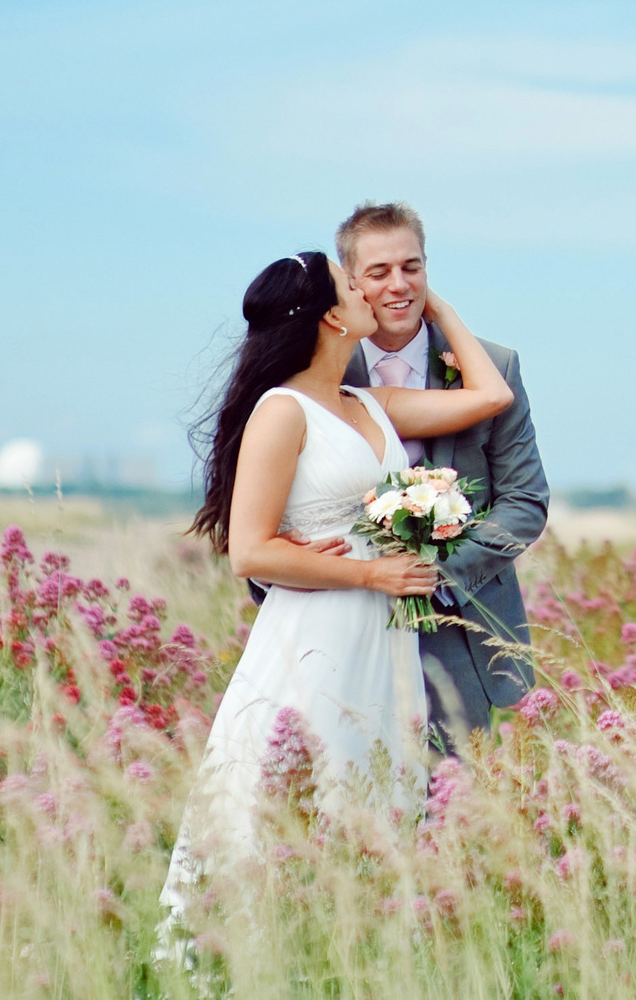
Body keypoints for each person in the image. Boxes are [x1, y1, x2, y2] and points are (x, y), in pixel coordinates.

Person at [164, 250, 513, 894]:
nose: (370, 291)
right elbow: (250, 550)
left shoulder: (368, 402)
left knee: (377, 790)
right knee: (303, 787)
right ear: (331, 316)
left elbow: (491, 395)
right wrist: (370, 576)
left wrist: (440, 308)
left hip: (384, 640)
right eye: (353, 285)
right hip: (317, 632)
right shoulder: (282, 411)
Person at [332, 201, 550, 742]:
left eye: (412, 266)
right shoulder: (320, 373)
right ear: (351, 283)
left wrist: (438, 577)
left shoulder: (493, 367)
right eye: (378, 272)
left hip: (461, 628)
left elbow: (525, 501)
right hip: (346, 618)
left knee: (452, 804)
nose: (398, 284)